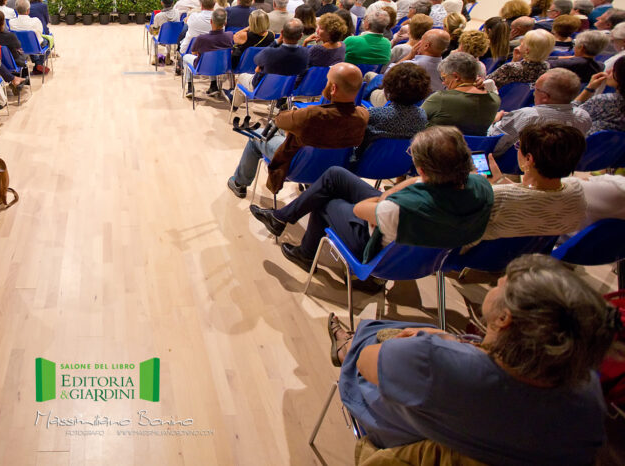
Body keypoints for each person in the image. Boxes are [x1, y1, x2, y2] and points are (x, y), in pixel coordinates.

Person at [333, 254, 614, 466]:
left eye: (499, 284)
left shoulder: (435, 362)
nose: (494, 285)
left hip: (407, 436)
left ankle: (345, 343)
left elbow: (366, 363)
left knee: (368, 340)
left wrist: (433, 342)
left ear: (504, 319)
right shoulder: (588, 395)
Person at [253, 126, 493, 271]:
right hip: (423, 242)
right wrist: (416, 183)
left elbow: (360, 210)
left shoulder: (400, 208)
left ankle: (306, 253)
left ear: (422, 170)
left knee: (327, 200)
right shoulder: (482, 185)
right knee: (336, 175)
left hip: (377, 244)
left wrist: (388, 196)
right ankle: (281, 217)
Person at [227, 63, 368, 198]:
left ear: (333, 89)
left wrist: (295, 113)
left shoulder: (311, 115)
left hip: (298, 166)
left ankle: (239, 183)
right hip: (333, 167)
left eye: (327, 81)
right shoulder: (363, 115)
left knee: (256, 137)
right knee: (282, 132)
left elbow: (280, 119)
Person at [478, 123, 587, 242]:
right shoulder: (576, 190)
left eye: (518, 145)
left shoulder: (495, 197)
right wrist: (499, 180)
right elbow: (536, 197)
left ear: (529, 159)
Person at [487, 68, 591, 155]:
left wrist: (492, 121)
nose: (533, 93)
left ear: (545, 97)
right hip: (561, 166)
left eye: (536, 88)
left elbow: (493, 146)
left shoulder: (527, 116)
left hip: (515, 164)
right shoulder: (583, 116)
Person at [355, 63, 430, 158]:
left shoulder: (374, 114)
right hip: (399, 167)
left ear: (388, 87)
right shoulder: (422, 116)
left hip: (364, 165)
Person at [423, 52, 501, 135]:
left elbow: (412, 122)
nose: (443, 83)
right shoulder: (494, 99)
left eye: (444, 78)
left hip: (433, 145)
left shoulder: (440, 99)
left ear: (456, 77)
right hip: (473, 147)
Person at [183, 9, 234, 96]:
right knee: (214, 58)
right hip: (223, 66)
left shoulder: (202, 38)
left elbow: (194, 52)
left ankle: (190, 86)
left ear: (211, 21)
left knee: (186, 57)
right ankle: (213, 85)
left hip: (202, 67)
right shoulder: (229, 36)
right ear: (225, 23)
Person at [487, 29, 556, 89]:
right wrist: (515, 61)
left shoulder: (510, 68)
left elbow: (486, 82)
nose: (520, 41)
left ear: (527, 50)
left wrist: (513, 62)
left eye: (523, 41)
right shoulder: (546, 67)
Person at [574, 58, 625, 131]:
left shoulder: (605, 101)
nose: (607, 71)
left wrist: (589, 88)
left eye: (613, 71)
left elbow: (569, 117)